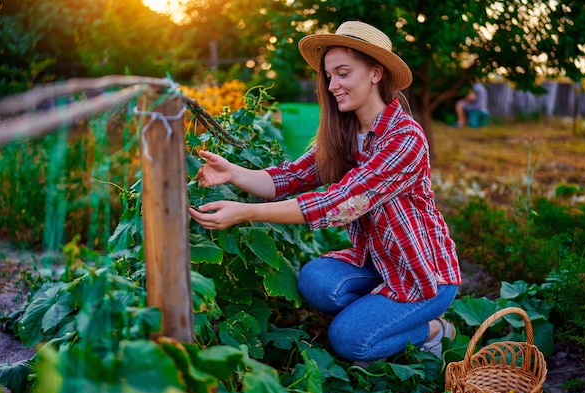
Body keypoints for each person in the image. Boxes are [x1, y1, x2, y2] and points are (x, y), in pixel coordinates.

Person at [189, 21, 461, 364]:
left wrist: (246, 212)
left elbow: (343, 203)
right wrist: (234, 172)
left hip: (422, 273)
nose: (333, 85)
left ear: (376, 73)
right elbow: (289, 177)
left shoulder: (404, 137)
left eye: (343, 73)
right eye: (329, 76)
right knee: (316, 281)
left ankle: (433, 329)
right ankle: (382, 316)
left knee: (348, 340)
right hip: (377, 262)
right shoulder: (343, 133)